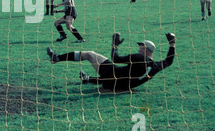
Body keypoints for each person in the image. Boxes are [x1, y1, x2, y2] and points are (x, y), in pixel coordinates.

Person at [46, 32, 176, 92]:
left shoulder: (139, 58)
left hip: (111, 76)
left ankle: (56, 58)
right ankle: (88, 79)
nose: (139, 48)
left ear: (147, 49)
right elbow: (169, 61)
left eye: (141, 46)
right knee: (119, 75)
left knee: (90, 54)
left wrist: (115, 45)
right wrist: (172, 44)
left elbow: (116, 59)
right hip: (121, 86)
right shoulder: (156, 66)